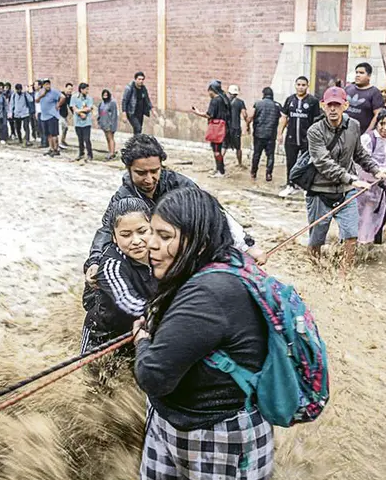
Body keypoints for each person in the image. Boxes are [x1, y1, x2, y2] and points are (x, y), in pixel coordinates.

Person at [133, 187, 273, 480]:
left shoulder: (209, 293)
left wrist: (142, 340)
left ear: (196, 241)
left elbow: (153, 376)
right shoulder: (217, 264)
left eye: (166, 237)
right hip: (171, 426)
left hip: (222, 441)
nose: (151, 246)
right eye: (152, 233)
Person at [83, 134, 267, 286]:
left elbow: (215, 215)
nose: (149, 179)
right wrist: (95, 261)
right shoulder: (123, 197)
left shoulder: (180, 185)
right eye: (141, 173)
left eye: (154, 171)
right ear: (128, 169)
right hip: (148, 261)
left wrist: (248, 246)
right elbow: (107, 230)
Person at [305, 86, 386, 278]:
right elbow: (322, 162)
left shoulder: (353, 126)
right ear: (322, 106)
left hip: (346, 190)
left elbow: (359, 153)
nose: (333, 109)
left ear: (346, 105)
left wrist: (376, 170)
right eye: (329, 105)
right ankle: (315, 275)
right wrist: (352, 178)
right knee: (317, 240)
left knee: (351, 236)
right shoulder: (314, 131)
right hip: (320, 190)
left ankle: (345, 277)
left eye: (337, 105)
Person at [80, 197, 156, 353]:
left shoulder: (162, 253)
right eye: (126, 235)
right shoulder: (110, 265)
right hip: (103, 337)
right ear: (114, 238)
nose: (136, 241)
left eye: (142, 231)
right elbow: (128, 302)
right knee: (91, 377)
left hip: (140, 332)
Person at [357, 110, 386, 245]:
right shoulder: (368, 139)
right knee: (364, 217)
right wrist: (379, 171)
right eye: (382, 124)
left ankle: (374, 246)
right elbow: (361, 162)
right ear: (377, 123)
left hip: (384, 188)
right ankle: (359, 245)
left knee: (381, 215)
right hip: (368, 187)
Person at [278, 76, 321, 197]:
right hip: (291, 138)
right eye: (299, 85)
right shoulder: (289, 100)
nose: (301, 87)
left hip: (306, 139)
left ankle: (305, 187)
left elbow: (316, 121)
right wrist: (280, 133)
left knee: (306, 163)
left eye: (303, 85)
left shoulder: (313, 101)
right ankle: (290, 185)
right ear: (295, 85)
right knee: (290, 162)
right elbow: (284, 118)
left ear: (307, 86)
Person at [191, 80, 232, 179]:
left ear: (212, 90)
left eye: (209, 91)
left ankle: (221, 171)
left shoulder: (215, 100)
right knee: (217, 150)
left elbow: (209, 114)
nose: (209, 94)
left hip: (216, 128)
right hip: (223, 127)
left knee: (216, 151)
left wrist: (197, 112)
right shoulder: (224, 98)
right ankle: (218, 168)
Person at [246, 87, 281, 182]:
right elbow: (282, 119)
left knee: (257, 154)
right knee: (270, 155)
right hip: (271, 134)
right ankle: (269, 174)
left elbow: (250, 116)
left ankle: (253, 173)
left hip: (259, 134)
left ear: (263, 94)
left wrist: (247, 126)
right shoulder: (277, 105)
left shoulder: (258, 104)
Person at [345, 62, 385, 134]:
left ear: (369, 76)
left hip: (362, 134)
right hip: (344, 132)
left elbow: (377, 115)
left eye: (361, 73)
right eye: (356, 72)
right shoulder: (348, 89)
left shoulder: (375, 92)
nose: (358, 75)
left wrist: (367, 133)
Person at [37, 79, 62, 156]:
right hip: (44, 116)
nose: (47, 86)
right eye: (46, 84)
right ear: (43, 85)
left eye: (48, 84)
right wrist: (42, 95)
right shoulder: (40, 92)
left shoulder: (54, 92)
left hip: (52, 116)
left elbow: (63, 97)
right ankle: (51, 148)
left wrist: (58, 104)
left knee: (54, 134)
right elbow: (37, 101)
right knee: (48, 134)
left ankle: (56, 149)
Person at [71, 82, 94, 162]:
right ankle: (81, 153)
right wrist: (80, 113)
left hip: (87, 121)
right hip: (77, 122)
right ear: (81, 89)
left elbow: (89, 108)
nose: (87, 91)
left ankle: (90, 154)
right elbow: (73, 108)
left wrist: (79, 110)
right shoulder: (74, 97)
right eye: (86, 89)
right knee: (80, 139)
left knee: (87, 139)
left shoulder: (89, 98)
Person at [97, 89, 119, 161]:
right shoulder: (102, 103)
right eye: (104, 95)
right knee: (107, 138)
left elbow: (114, 114)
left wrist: (113, 124)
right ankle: (110, 151)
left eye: (106, 95)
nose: (105, 96)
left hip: (109, 124)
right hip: (104, 123)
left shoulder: (112, 103)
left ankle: (112, 153)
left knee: (110, 138)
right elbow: (100, 113)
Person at [59, 82, 74, 147]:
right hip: (58, 114)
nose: (70, 91)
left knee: (65, 128)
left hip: (64, 114)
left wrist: (74, 113)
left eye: (71, 89)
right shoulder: (61, 95)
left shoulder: (69, 97)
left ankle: (63, 140)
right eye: (69, 89)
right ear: (65, 88)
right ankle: (60, 143)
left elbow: (71, 106)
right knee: (62, 127)